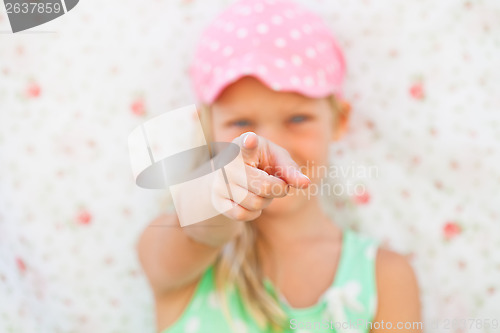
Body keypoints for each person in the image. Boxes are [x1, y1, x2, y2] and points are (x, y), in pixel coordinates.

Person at [137, 0, 422, 332]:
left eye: (298, 118)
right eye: (241, 123)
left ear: (339, 121)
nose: (271, 146)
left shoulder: (383, 276)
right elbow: (200, 231)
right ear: (206, 129)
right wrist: (222, 192)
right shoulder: (177, 247)